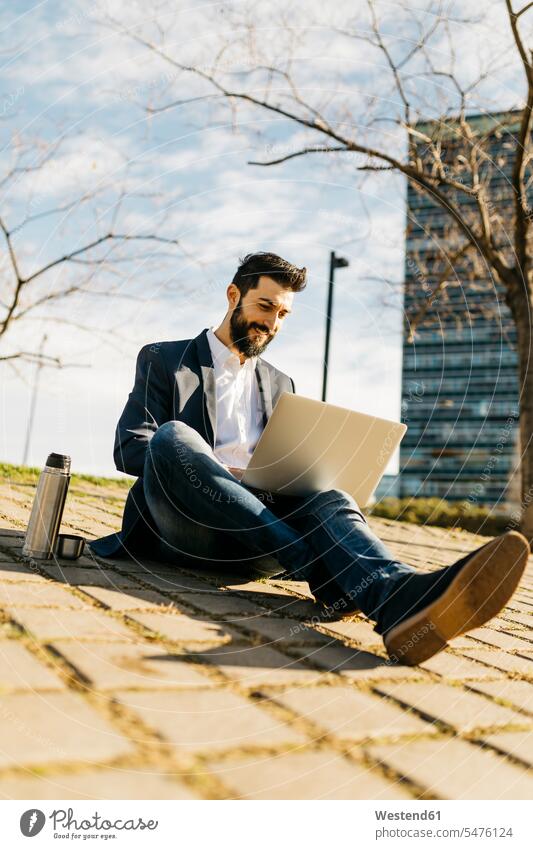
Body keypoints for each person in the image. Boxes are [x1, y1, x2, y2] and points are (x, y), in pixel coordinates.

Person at [90, 251, 529, 666]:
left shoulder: (281, 382)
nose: (272, 322)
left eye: (283, 315)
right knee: (173, 437)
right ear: (233, 296)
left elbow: (291, 468)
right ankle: (326, 568)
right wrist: (220, 470)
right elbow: (132, 446)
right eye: (265, 307)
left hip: (253, 547)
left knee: (332, 496)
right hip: (185, 525)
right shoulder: (165, 359)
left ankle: (399, 598)